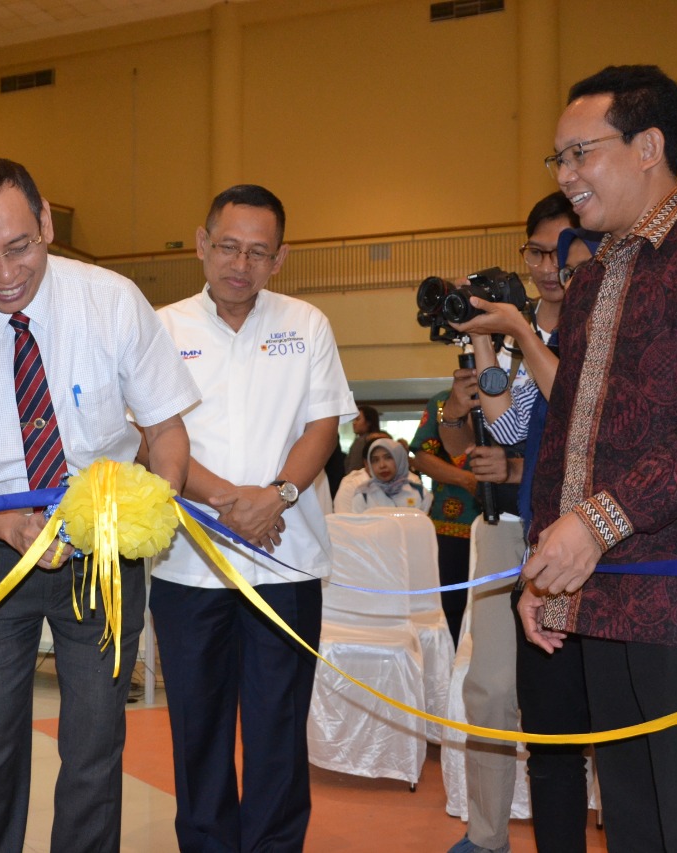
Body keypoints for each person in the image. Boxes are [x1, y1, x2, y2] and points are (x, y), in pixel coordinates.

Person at [0, 157, 197, 853]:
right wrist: (11, 524)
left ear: (47, 221)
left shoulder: (113, 301)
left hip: (103, 549)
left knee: (94, 741)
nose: (4, 274)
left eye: (19, 246)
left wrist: (153, 500)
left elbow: (167, 429)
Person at [519, 65, 677, 852]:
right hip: (608, 594)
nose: (566, 178)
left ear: (648, 146)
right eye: (557, 160)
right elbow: (567, 430)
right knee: (631, 817)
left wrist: (593, 525)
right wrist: (543, 562)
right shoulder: (595, 276)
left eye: (580, 154)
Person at [148, 184, 356, 852]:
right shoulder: (162, 326)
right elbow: (156, 430)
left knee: (277, 732)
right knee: (197, 733)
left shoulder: (307, 324)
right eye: (228, 246)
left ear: (280, 258)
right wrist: (229, 501)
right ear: (203, 244)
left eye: (258, 252)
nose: (240, 263)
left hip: (286, 562)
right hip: (188, 566)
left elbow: (323, 423)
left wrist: (278, 495)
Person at [446, 226, 599, 853]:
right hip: (517, 530)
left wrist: (517, 334)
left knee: (597, 697)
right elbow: (507, 422)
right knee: (495, 690)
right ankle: (487, 835)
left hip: (594, 533)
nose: (547, 266)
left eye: (561, 253)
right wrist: (487, 340)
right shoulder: (518, 325)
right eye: (536, 252)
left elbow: (580, 402)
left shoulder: (597, 318)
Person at [409, 392, 480, 645]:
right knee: (451, 606)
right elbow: (421, 457)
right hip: (451, 527)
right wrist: (467, 480)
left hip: (509, 522)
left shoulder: (516, 392)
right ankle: (451, 673)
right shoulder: (441, 403)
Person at [342, 437, 430, 515]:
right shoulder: (363, 495)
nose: (382, 465)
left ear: (399, 458)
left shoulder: (420, 493)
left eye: (388, 457)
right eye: (375, 460)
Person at [342, 403, 380, 474]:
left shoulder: (361, 441)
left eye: (357, 419)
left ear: (368, 422)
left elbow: (354, 469)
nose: (354, 423)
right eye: (354, 420)